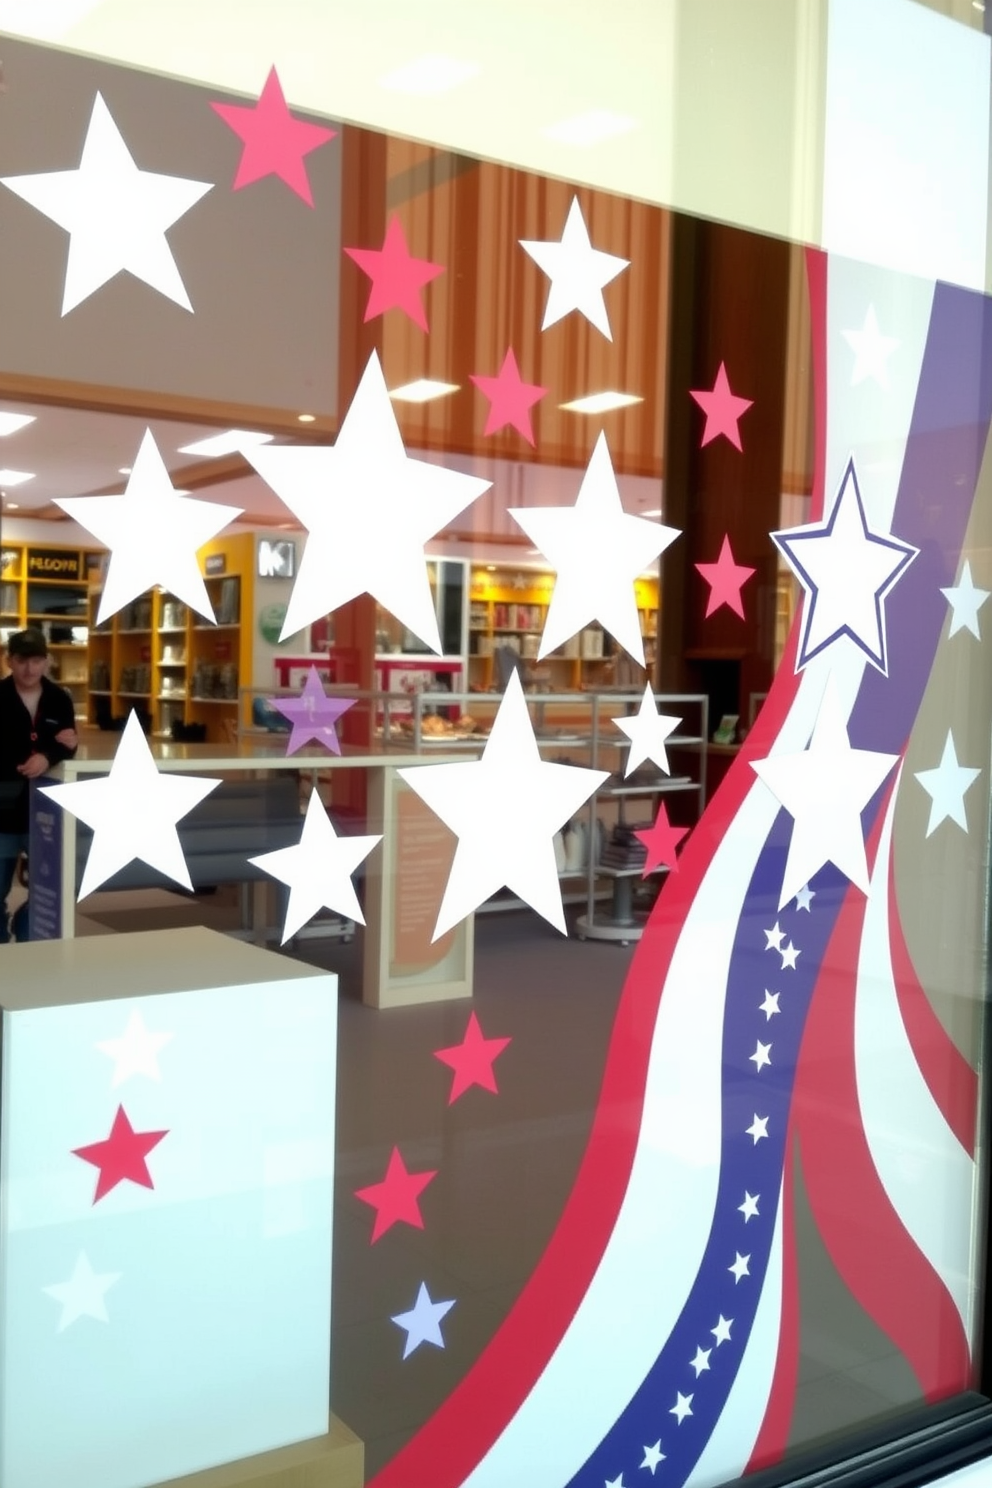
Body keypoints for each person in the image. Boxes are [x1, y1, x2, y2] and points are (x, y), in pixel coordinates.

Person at [0, 628, 78, 943]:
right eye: (22, 660)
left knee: (54, 889)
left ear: (46, 661)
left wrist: (49, 755)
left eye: (36, 660)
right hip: (2, 812)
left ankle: (25, 929)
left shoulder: (60, 699)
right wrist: (36, 753)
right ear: (9, 660)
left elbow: (68, 742)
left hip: (45, 811)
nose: (29, 669)